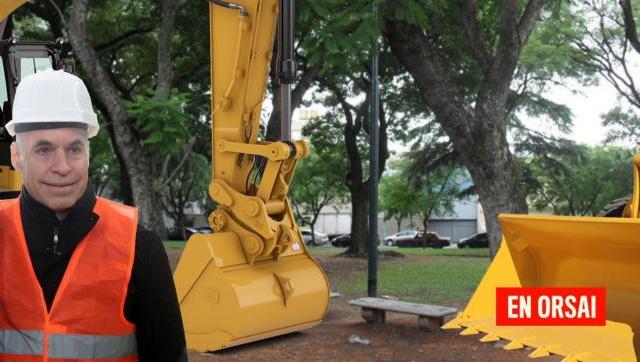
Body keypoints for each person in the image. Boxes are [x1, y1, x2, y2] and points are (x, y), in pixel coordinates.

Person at [0, 69, 187, 361]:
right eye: (44, 150)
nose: (62, 166)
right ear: (16, 156)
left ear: (88, 152)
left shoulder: (139, 248)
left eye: (74, 149)